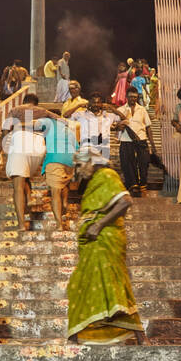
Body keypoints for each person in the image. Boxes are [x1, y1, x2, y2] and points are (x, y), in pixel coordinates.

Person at [65, 146, 147, 345]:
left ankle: (140, 336)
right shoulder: (95, 179)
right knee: (81, 285)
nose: (77, 170)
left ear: (90, 161)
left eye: (79, 165)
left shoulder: (107, 175)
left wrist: (99, 225)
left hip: (104, 239)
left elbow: (126, 201)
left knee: (113, 286)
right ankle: (77, 335)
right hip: (95, 243)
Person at [0, 93, 71, 231]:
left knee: (17, 186)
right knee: (26, 175)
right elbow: (63, 122)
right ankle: (29, 197)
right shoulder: (43, 111)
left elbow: (4, 130)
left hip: (20, 140)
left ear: (24, 101)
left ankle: (21, 224)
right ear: (36, 103)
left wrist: (2, 151)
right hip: (38, 146)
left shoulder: (16, 110)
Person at [37, 104, 80, 230]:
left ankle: (59, 224)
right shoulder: (68, 129)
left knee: (55, 193)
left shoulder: (48, 123)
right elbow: (77, 148)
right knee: (64, 182)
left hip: (56, 158)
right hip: (70, 160)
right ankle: (65, 202)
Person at [113, 88, 154, 197]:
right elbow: (114, 127)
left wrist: (153, 145)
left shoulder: (142, 110)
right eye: (131, 97)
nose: (133, 99)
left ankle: (143, 185)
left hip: (141, 140)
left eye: (135, 97)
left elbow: (148, 127)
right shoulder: (120, 110)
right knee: (127, 165)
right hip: (126, 141)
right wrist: (118, 126)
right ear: (127, 97)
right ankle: (133, 186)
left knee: (144, 164)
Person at [73, 92, 115, 166]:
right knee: (85, 171)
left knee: (101, 171)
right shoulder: (81, 114)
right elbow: (65, 115)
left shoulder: (107, 115)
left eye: (98, 102)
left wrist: (111, 108)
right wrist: (78, 105)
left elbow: (123, 118)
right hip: (86, 147)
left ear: (101, 104)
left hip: (103, 148)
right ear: (89, 103)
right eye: (93, 102)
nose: (96, 105)